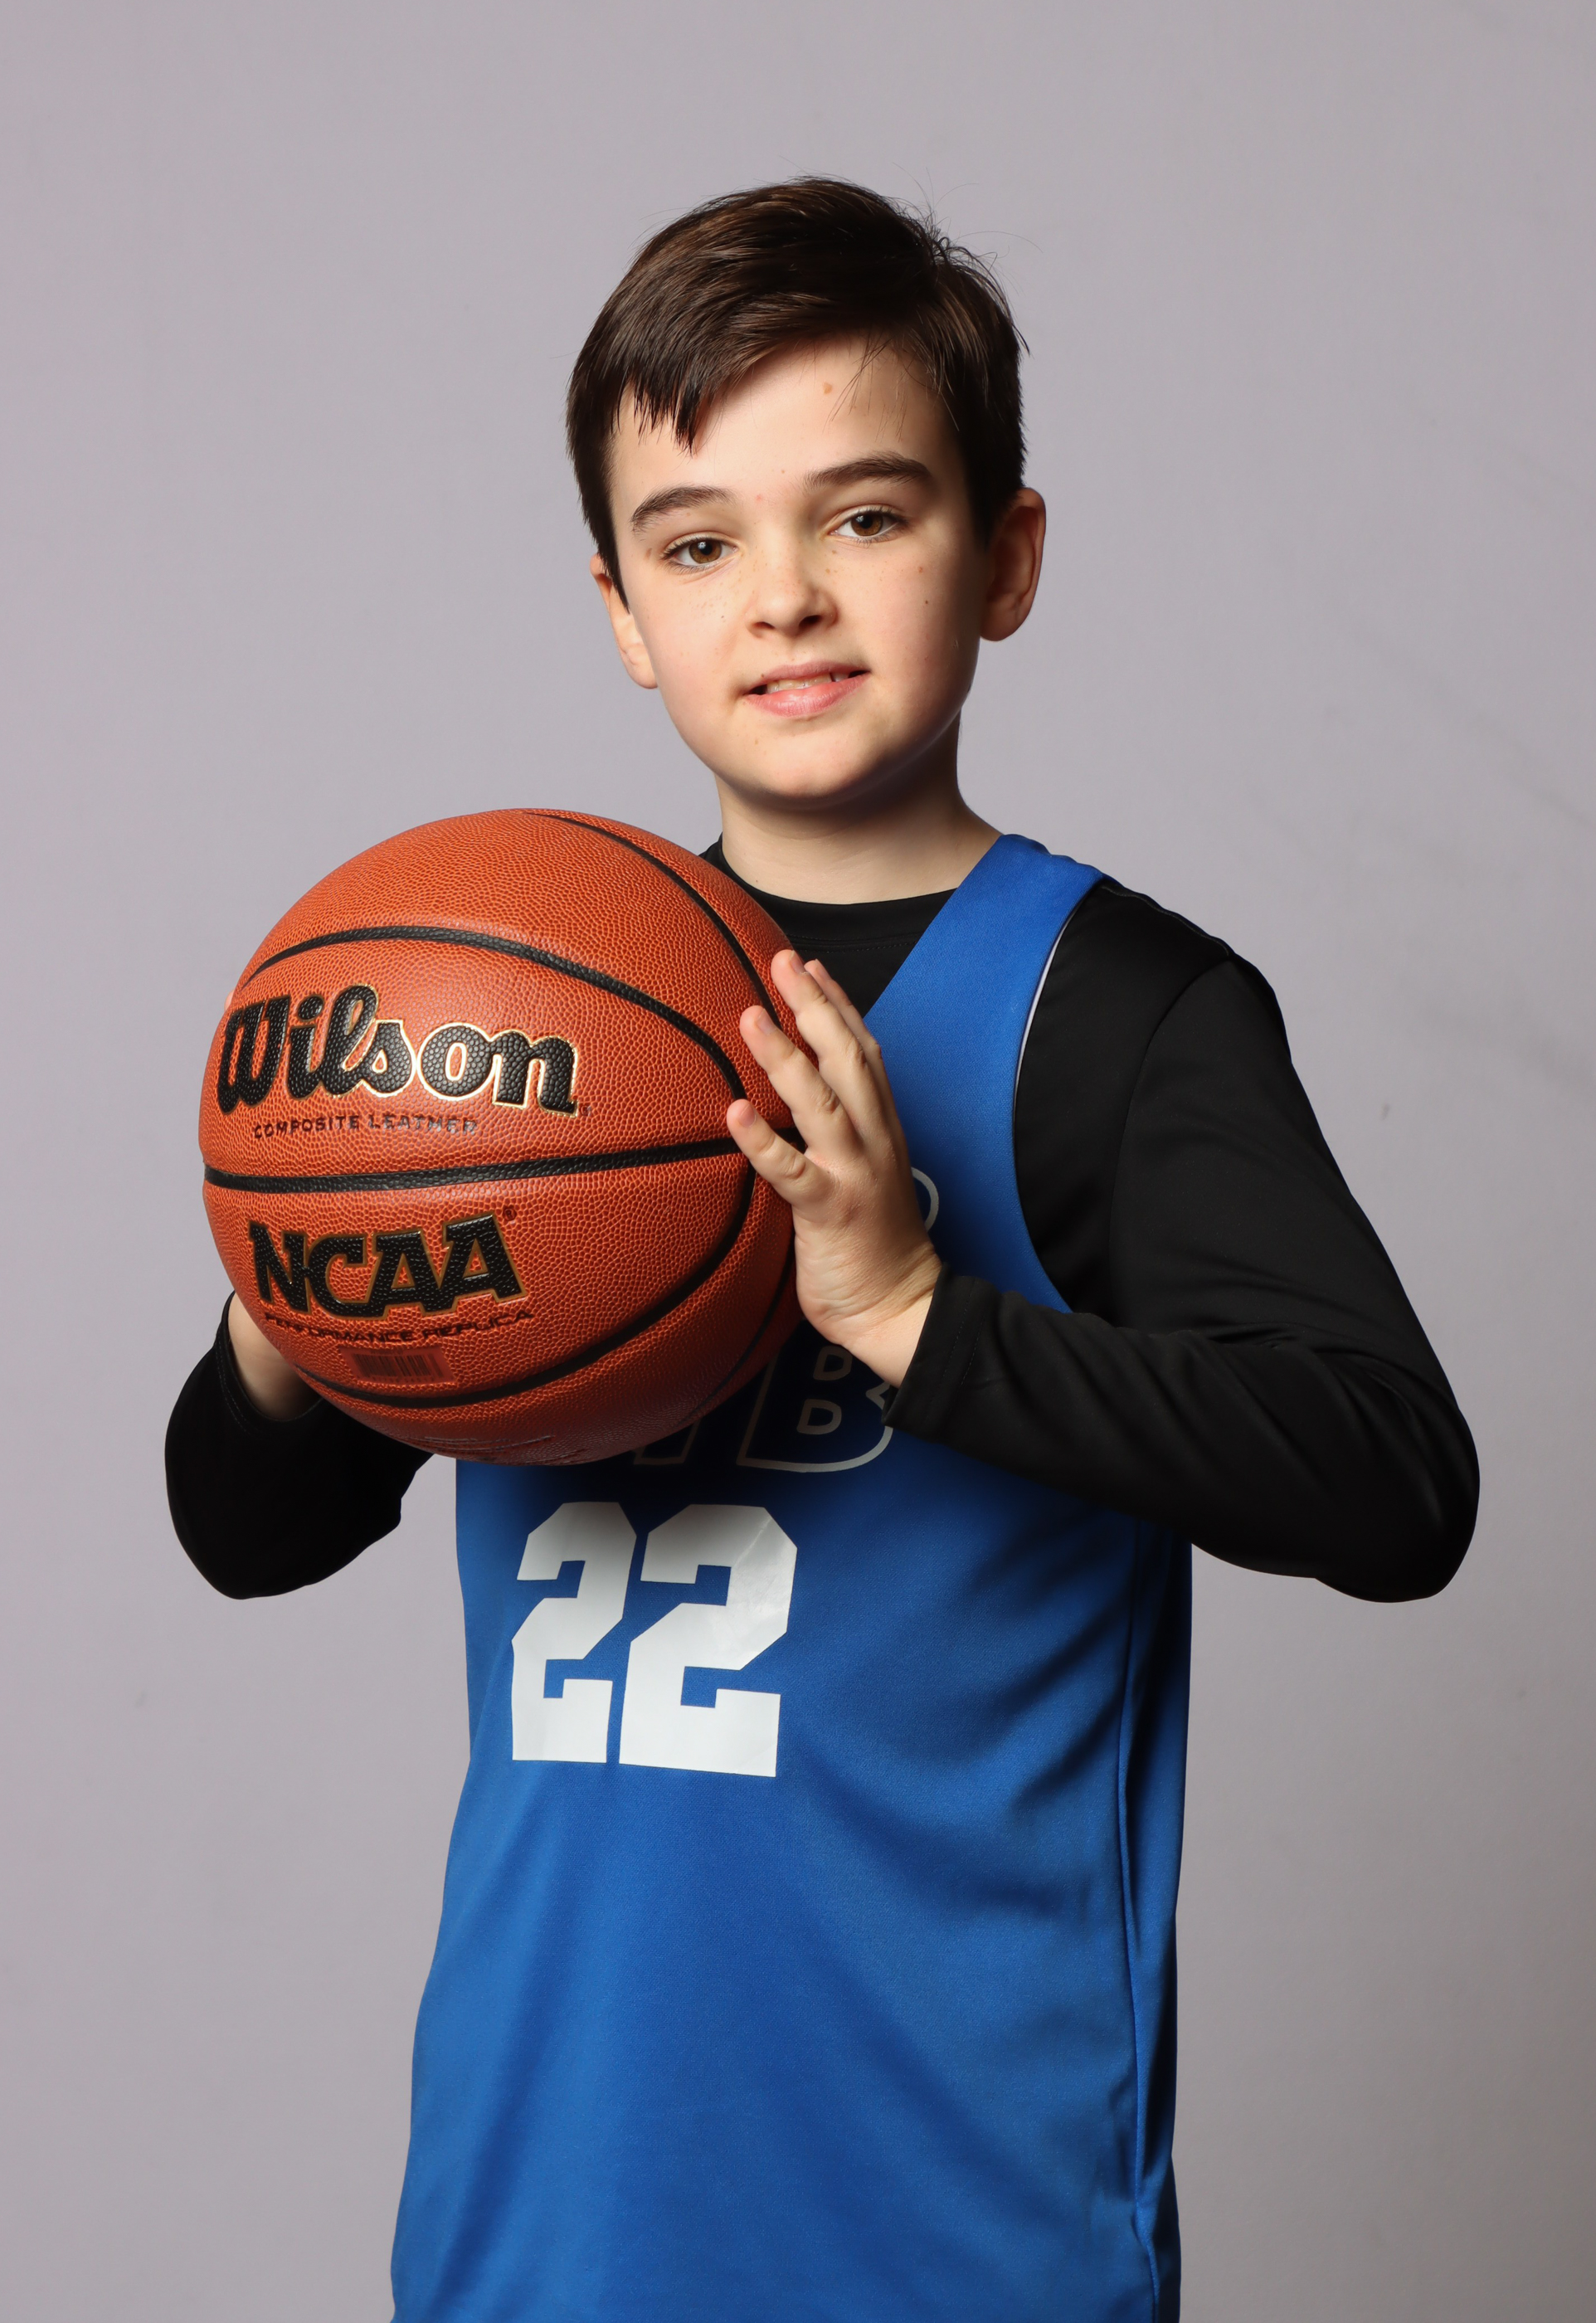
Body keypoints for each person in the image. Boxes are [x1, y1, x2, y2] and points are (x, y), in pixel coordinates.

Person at [166, 179, 1478, 2321]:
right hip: (547, 2198)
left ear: (1008, 556)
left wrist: (914, 1319)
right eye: (697, 545)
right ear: (622, 610)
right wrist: (299, 1284)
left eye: (865, 516)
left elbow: (1396, 1485)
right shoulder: (517, 1009)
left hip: (954, 2217)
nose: (781, 595)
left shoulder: (1116, 1017)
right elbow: (243, 1530)